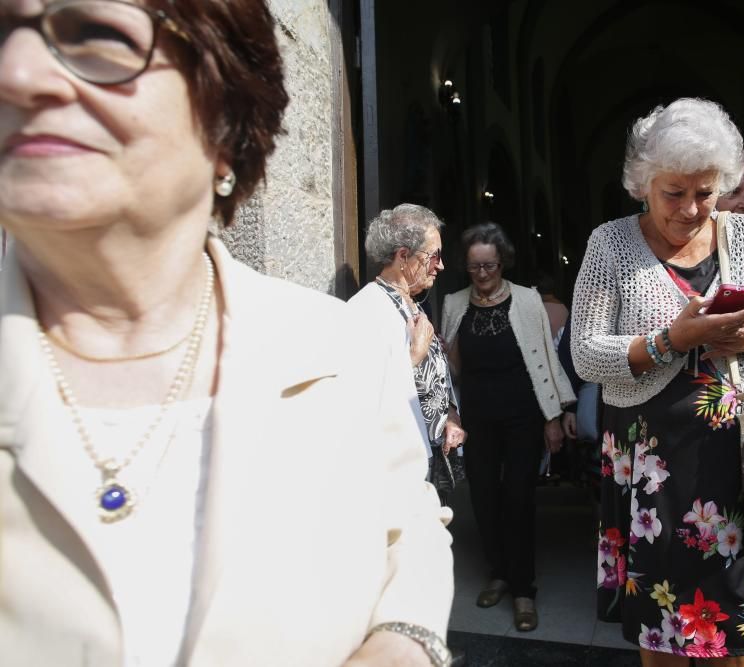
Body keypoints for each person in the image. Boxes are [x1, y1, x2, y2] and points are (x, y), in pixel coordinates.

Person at [0, 2, 453, 665]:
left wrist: (405, 641)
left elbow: (410, 522)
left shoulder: (339, 347)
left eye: (96, 34)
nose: (17, 72)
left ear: (225, 119)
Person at [572, 98, 744, 666]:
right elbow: (585, 353)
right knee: (664, 629)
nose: (690, 209)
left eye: (705, 193)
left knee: (740, 628)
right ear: (643, 184)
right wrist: (670, 341)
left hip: (742, 463)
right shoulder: (609, 245)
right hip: (654, 467)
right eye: (673, 193)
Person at [441, 222, 575, 632]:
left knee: (518, 499)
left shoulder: (528, 300)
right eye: (475, 267)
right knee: (482, 497)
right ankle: (498, 572)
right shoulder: (453, 303)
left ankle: (523, 590)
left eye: (490, 266)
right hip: (477, 417)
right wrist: (450, 412)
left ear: (503, 263)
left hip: (522, 416)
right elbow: (450, 369)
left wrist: (554, 415)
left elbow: (547, 363)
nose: (482, 275)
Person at [350, 203, 466, 498]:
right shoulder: (368, 308)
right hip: (399, 460)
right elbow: (364, 389)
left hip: (430, 454)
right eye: (434, 256)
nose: (441, 265)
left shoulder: (411, 303)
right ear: (403, 256)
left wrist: (451, 415)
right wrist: (414, 354)